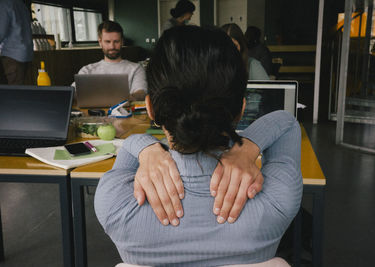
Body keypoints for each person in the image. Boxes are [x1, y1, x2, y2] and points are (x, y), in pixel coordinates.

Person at [95, 26, 302, 266]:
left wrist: (146, 147)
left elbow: (128, 145)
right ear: (241, 110)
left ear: (150, 108)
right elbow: (286, 122)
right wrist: (247, 148)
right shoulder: (276, 202)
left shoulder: (115, 205)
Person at [74, 20, 147, 101]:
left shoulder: (136, 68)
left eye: (116, 41)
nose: (112, 46)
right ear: (100, 42)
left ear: (122, 42)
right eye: (107, 42)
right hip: (92, 113)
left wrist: (125, 98)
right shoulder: (87, 70)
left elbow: (141, 93)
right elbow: (73, 93)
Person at [0, 0, 33, 85]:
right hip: (25, 54)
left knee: (14, 90)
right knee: (20, 88)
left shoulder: (4, 4)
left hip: (12, 54)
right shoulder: (22, 4)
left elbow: (1, 32)